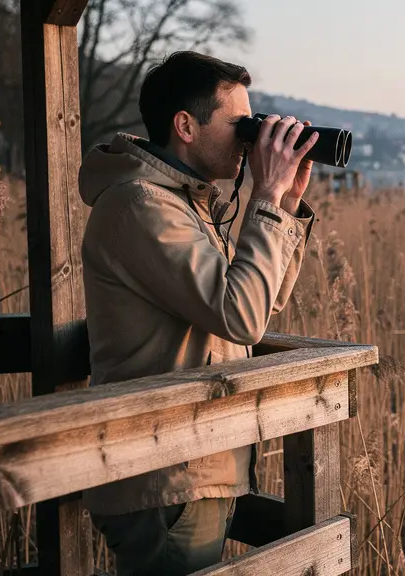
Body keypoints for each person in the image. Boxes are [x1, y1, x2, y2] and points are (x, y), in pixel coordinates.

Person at [77, 51, 319, 575]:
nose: (248, 138)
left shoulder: (184, 203)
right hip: (166, 474)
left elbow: (264, 299)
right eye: (238, 124)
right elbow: (242, 318)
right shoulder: (142, 205)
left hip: (190, 464)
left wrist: (289, 205)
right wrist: (267, 197)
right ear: (185, 126)